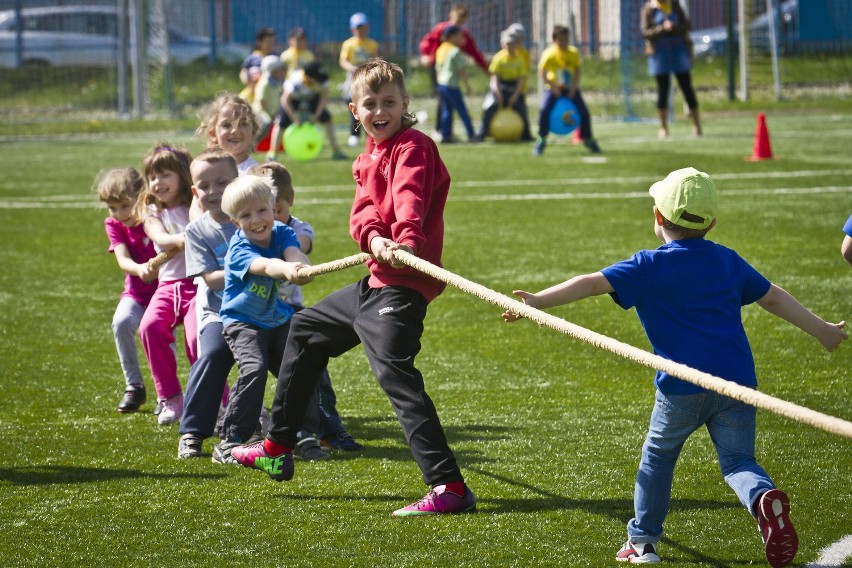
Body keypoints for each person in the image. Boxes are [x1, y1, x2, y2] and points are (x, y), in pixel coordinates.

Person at [502, 167, 847, 566]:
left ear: (657, 216)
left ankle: (642, 543)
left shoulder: (648, 265)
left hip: (681, 389)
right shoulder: (728, 261)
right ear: (712, 223)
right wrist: (821, 330)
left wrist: (538, 301)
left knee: (658, 458)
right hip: (738, 385)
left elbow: (592, 283)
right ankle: (761, 498)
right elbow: (772, 297)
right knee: (738, 462)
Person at [232, 59, 476, 517]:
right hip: (375, 281)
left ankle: (449, 487)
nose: (380, 111)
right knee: (304, 329)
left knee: (394, 374)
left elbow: (411, 197)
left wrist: (402, 241)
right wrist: (374, 238)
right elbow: (363, 213)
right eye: (370, 104)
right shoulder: (365, 159)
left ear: (406, 105)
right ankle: (278, 446)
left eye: (389, 103)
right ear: (353, 110)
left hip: (403, 285)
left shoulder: (414, 147)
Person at [249, 161, 363, 457]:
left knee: (314, 363)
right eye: (262, 210)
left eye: (278, 211)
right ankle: (246, 429)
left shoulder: (297, 228)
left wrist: (292, 264)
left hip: (288, 310)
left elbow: (299, 246)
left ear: (291, 202)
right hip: (251, 315)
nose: (270, 220)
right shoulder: (244, 233)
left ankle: (328, 428)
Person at [214, 175, 314, 463]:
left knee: (299, 364)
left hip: (277, 318)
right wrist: (286, 268)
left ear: (273, 207)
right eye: (245, 215)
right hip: (243, 322)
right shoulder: (239, 249)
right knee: (254, 369)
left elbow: (294, 252)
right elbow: (266, 265)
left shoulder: (282, 232)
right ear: (235, 222)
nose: (256, 220)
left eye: (261, 210)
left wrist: (301, 266)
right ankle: (231, 439)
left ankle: (297, 433)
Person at [177, 148, 239, 459]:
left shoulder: (253, 217)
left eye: (222, 183)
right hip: (219, 313)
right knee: (213, 354)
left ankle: (310, 430)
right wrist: (251, 268)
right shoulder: (196, 229)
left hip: (264, 313)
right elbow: (211, 278)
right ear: (194, 191)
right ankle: (192, 433)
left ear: (238, 181)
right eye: (204, 186)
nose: (213, 191)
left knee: (296, 352)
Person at [135, 143, 199, 425]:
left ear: (183, 176)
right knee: (149, 327)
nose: (157, 183)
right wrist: (184, 238)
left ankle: (219, 397)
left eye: (165, 175)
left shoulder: (196, 203)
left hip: (199, 284)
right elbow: (160, 238)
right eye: (152, 177)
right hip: (168, 285)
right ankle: (171, 397)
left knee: (198, 341)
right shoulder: (152, 210)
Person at [95, 167, 159, 413]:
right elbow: (122, 260)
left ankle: (166, 393)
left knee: (154, 332)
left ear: (141, 197)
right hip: (136, 292)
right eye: (113, 207)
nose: (119, 214)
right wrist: (140, 269)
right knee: (121, 322)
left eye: (125, 205)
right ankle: (135, 387)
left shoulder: (155, 217)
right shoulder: (114, 224)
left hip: (163, 291)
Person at [418, 4, 489, 138]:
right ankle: (451, 132)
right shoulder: (441, 31)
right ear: (451, 15)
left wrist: (487, 69)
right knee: (451, 105)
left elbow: (475, 53)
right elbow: (427, 43)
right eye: (456, 20)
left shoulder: (463, 35)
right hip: (442, 73)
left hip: (446, 76)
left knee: (446, 106)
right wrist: (425, 56)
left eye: (461, 22)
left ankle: (446, 133)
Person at [535, 25, 601, 156]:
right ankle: (541, 139)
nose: (564, 43)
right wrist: (553, 87)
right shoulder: (549, 54)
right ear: (554, 40)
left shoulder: (573, 52)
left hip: (570, 88)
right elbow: (542, 72)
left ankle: (587, 138)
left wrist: (573, 88)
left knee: (584, 112)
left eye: (566, 40)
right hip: (553, 89)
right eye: (561, 40)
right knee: (544, 110)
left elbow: (577, 71)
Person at [641, 0, 702, 138]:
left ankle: (696, 125)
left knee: (687, 88)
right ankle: (663, 127)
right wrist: (662, 28)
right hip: (659, 54)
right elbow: (645, 32)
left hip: (678, 51)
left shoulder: (674, 5)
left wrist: (674, 27)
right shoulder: (649, 9)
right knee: (663, 90)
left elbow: (687, 25)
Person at [266, 61, 347, 163]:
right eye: (317, 79)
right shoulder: (295, 81)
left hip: (312, 98)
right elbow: (285, 100)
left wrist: (317, 115)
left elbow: (324, 97)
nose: (321, 82)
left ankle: (336, 151)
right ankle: (272, 153)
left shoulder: (323, 80)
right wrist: (294, 118)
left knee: (327, 119)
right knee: (281, 123)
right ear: (308, 77)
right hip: (293, 100)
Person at [478, 29, 532, 141]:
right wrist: (498, 94)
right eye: (507, 44)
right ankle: (482, 133)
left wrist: (516, 95)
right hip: (500, 87)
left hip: (514, 88)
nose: (510, 47)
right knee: (490, 107)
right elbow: (495, 78)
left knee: (522, 109)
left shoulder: (520, 59)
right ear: (503, 45)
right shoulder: (498, 58)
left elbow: (521, 79)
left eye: (512, 44)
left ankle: (526, 135)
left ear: (516, 45)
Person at [339, 12, 379, 148]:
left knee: (369, 105)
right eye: (358, 28)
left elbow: (375, 59)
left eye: (363, 27)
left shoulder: (372, 44)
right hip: (353, 78)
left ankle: (370, 133)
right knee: (353, 106)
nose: (361, 30)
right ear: (352, 29)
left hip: (368, 77)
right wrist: (353, 68)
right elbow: (343, 61)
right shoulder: (349, 44)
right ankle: (354, 134)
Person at [196, 92, 259, 176]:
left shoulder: (255, 174)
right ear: (213, 134)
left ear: (253, 131)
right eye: (227, 125)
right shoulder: (206, 169)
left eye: (243, 124)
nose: (235, 130)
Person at [435, 25, 476, 144]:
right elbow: (461, 71)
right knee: (462, 110)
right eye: (460, 36)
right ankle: (471, 134)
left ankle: (445, 135)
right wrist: (467, 86)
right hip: (451, 85)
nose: (462, 39)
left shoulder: (441, 49)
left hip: (442, 84)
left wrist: (438, 83)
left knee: (447, 110)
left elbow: (438, 68)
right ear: (452, 37)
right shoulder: (455, 50)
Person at [252, 56, 288, 144]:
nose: (281, 72)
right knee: (266, 123)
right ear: (272, 70)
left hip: (274, 112)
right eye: (279, 70)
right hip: (262, 112)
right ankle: (253, 142)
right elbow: (261, 101)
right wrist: (270, 114)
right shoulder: (265, 83)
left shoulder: (277, 82)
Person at [239, 27, 276, 104]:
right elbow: (243, 72)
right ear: (259, 42)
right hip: (252, 92)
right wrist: (248, 83)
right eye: (268, 42)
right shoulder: (252, 57)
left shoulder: (274, 58)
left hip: (269, 94)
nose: (270, 45)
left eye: (272, 42)